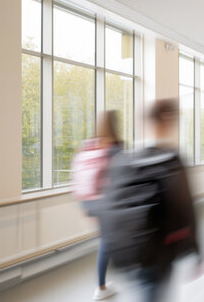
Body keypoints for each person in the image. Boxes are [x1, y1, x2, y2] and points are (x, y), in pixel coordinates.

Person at [101, 99, 200, 302]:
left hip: (130, 251)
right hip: (159, 251)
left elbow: (108, 205)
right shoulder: (171, 160)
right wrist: (197, 249)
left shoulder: (123, 161)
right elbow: (185, 207)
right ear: (168, 122)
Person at [71, 110, 122, 301]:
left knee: (108, 240)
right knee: (108, 242)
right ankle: (101, 287)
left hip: (88, 201)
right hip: (106, 202)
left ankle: (103, 283)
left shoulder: (89, 145)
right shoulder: (115, 147)